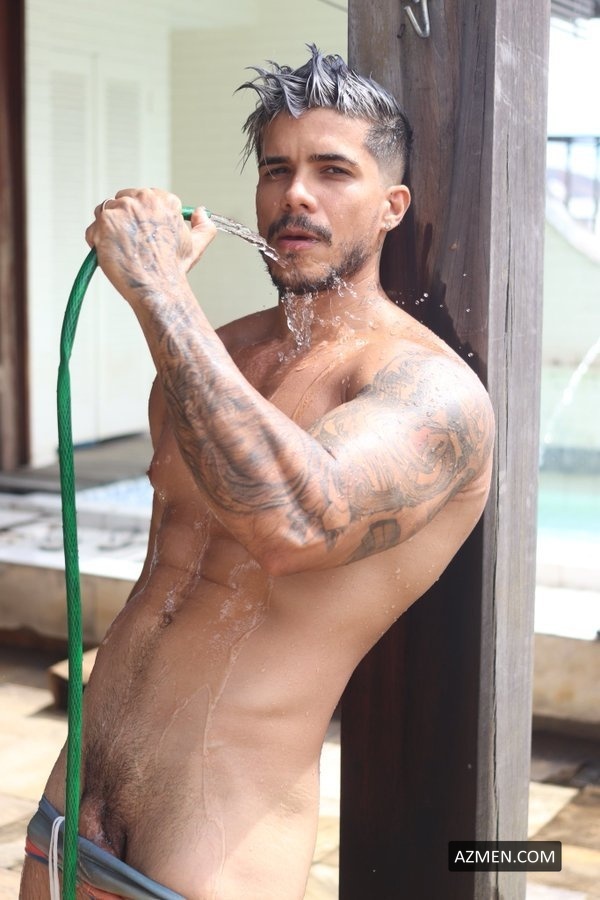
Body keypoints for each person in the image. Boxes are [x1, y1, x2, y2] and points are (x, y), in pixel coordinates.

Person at [21, 45, 494, 900]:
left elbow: (294, 522)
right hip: (71, 810)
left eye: (332, 170)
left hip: (210, 847)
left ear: (391, 206)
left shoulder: (430, 391)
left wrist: (160, 290)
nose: (295, 195)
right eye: (277, 169)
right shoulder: (219, 354)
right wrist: (172, 311)